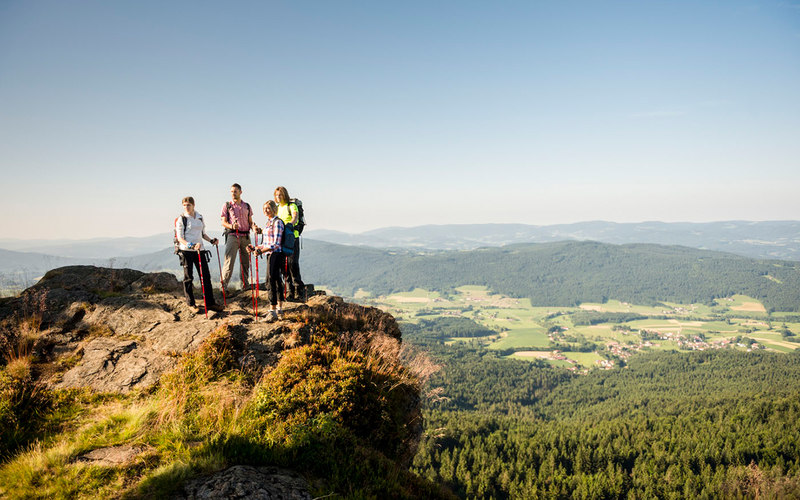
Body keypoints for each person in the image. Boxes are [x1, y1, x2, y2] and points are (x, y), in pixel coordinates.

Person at [176, 196, 221, 313]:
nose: (186, 207)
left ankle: (210, 303)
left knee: (205, 276)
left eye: (188, 205)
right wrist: (191, 245)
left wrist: (211, 240)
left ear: (193, 205)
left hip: (200, 250)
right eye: (184, 205)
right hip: (187, 251)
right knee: (188, 277)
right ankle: (191, 304)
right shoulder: (181, 219)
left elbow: (203, 234)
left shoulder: (199, 217)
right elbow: (180, 238)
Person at [248, 200, 285, 322]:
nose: (266, 210)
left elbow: (276, 244)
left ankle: (273, 311)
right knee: (276, 279)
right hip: (271, 254)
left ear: (274, 209)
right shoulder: (269, 223)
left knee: (271, 281)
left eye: (268, 208)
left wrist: (261, 251)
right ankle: (278, 308)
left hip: (276, 254)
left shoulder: (277, 222)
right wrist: (255, 248)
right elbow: (265, 243)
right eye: (264, 208)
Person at [220, 183, 259, 290]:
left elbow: (250, 221)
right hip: (233, 235)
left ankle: (245, 285)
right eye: (232, 191)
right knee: (229, 262)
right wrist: (232, 226)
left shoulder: (247, 206)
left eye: (235, 191)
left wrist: (254, 227)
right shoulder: (227, 205)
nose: (233, 193)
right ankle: (223, 287)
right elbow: (223, 222)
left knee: (245, 262)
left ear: (240, 192)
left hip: (246, 236)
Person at [274, 186, 305, 301]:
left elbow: (295, 217)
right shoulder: (277, 208)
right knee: (284, 266)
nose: (278, 197)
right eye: (276, 195)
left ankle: (298, 290)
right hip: (280, 239)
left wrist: (290, 225)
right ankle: (289, 291)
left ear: (285, 195)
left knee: (293, 263)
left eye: (280, 194)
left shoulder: (291, 206)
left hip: (292, 238)